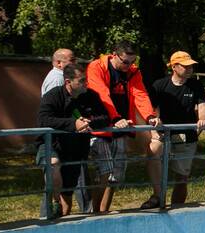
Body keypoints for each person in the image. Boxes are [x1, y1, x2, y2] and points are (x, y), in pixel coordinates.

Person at [86, 40, 160, 213]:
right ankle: (94, 213)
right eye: (125, 62)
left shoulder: (133, 72)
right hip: (101, 127)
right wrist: (115, 118)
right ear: (114, 54)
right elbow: (101, 94)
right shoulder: (96, 67)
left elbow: (140, 94)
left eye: (133, 62)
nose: (129, 65)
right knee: (104, 173)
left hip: (121, 129)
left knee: (115, 177)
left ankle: (103, 212)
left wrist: (150, 116)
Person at [37, 65, 110, 217]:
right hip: (52, 143)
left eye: (86, 80)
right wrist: (73, 124)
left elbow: (104, 117)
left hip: (76, 150)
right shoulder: (53, 96)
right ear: (68, 82)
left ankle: (62, 217)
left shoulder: (91, 96)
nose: (86, 84)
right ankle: (51, 209)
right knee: (53, 164)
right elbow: (43, 120)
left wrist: (88, 122)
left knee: (68, 193)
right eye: (82, 81)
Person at [141, 51, 205, 208]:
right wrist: (155, 120)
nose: (190, 69)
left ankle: (177, 208)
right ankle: (158, 196)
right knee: (155, 156)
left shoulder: (196, 85)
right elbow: (153, 108)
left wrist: (203, 118)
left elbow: (202, 105)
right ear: (174, 67)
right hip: (164, 134)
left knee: (182, 177)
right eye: (186, 66)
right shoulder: (160, 85)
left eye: (191, 66)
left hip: (187, 137)